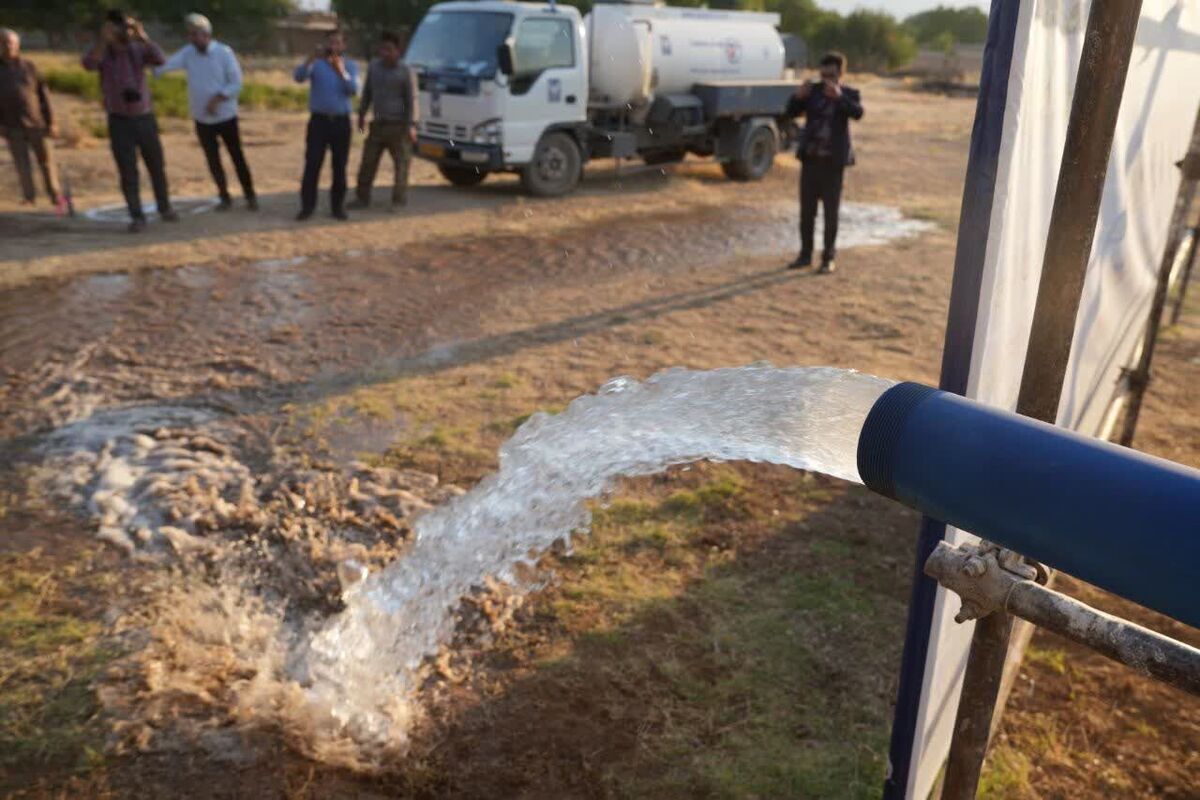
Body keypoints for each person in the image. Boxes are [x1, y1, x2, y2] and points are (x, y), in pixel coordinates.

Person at [83, 9, 176, 232]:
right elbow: (88, 64)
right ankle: (137, 215)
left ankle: (165, 208)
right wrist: (103, 42)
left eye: (129, 26)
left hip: (144, 116)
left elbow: (160, 60)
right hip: (119, 119)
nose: (125, 31)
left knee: (156, 166)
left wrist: (143, 36)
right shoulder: (103, 52)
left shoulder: (138, 48)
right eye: (121, 26)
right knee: (127, 170)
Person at [157, 13, 257, 211]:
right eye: (190, 34)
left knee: (237, 156)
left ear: (207, 34)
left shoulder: (224, 53)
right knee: (213, 160)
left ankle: (250, 196)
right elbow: (164, 66)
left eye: (196, 34)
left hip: (226, 116)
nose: (193, 38)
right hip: (202, 118)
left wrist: (218, 98)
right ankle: (224, 196)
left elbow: (236, 83)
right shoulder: (188, 53)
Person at [786, 51, 863, 274]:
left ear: (840, 73)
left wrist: (839, 97)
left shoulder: (849, 93)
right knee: (806, 212)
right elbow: (790, 112)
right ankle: (804, 255)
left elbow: (858, 113)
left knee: (831, 213)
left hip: (833, 164)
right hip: (810, 161)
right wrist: (798, 97)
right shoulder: (813, 92)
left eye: (830, 74)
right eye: (823, 73)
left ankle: (828, 258)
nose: (825, 79)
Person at [293, 29, 359, 221]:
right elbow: (298, 77)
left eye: (338, 43)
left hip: (341, 122)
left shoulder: (351, 66)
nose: (334, 46)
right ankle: (307, 207)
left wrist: (341, 72)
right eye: (331, 42)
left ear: (344, 46)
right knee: (312, 164)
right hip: (319, 122)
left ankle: (337, 207)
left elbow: (353, 90)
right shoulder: (317, 64)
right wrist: (309, 59)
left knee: (339, 166)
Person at [348, 31, 418, 211]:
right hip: (378, 125)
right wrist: (362, 115)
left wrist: (411, 125)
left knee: (401, 166)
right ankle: (362, 198)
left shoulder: (406, 71)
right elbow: (367, 93)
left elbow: (412, 100)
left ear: (398, 51)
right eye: (383, 49)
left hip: (399, 127)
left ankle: (398, 201)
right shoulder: (374, 67)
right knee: (367, 163)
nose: (385, 53)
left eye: (389, 49)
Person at [1, 28, 64, 211]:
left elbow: (44, 96)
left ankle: (55, 195)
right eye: (4, 42)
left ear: (17, 45)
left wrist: (52, 122)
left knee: (46, 162)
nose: (8, 46)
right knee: (22, 163)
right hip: (12, 126)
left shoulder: (30, 66)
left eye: (11, 42)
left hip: (37, 123)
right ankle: (29, 197)